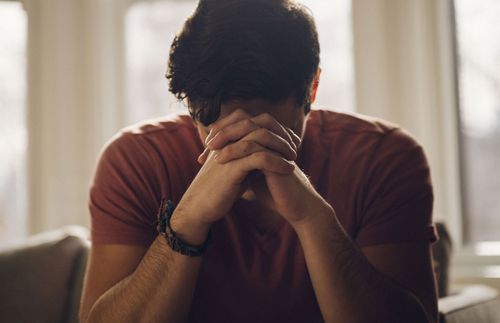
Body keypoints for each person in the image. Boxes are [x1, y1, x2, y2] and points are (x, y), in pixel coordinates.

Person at [79, 0, 438, 322]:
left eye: (264, 130)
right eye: (211, 126)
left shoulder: (384, 157)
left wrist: (312, 218)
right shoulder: (135, 160)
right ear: (188, 102)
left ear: (311, 90)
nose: (239, 151)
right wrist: (188, 221)